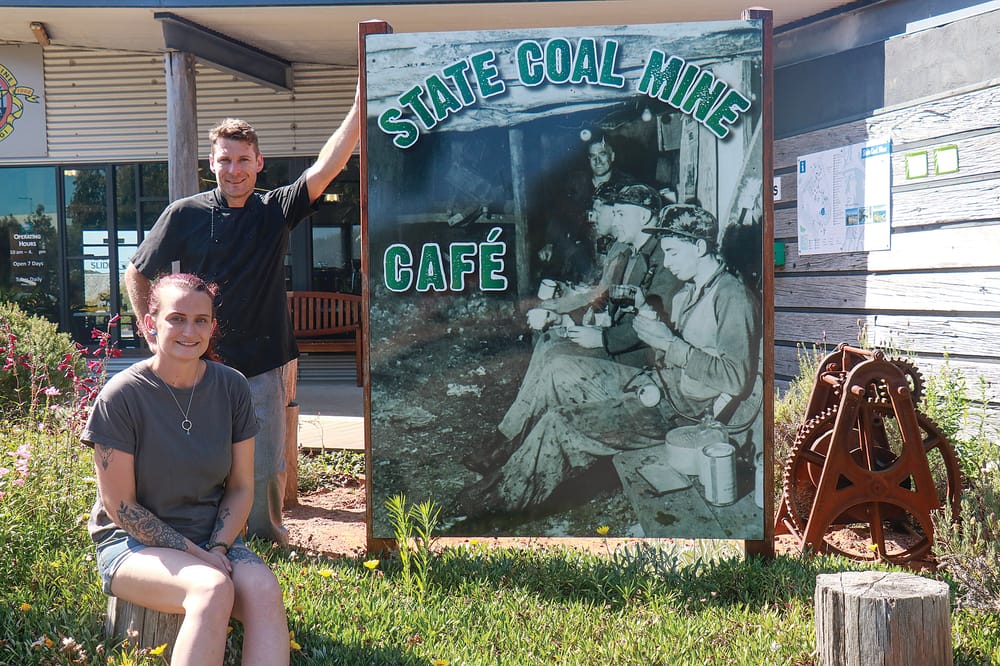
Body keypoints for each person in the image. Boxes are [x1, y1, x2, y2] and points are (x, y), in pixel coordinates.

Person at [124, 93, 360, 545]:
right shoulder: (184, 214)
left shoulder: (276, 210)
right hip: (198, 363)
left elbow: (329, 166)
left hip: (263, 361)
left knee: (265, 462)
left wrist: (355, 105)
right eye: (225, 160)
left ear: (259, 162)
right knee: (197, 457)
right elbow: (137, 271)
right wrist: (150, 330)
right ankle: (203, 538)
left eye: (243, 160)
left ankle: (267, 540)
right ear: (211, 164)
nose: (235, 169)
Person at [461, 202, 759, 515]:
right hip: (654, 388)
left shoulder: (731, 297)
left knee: (560, 422)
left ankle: (494, 507)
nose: (667, 262)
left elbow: (734, 377)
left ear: (699, 246)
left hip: (682, 414)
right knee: (560, 368)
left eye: (672, 252)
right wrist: (649, 320)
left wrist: (670, 344)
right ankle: (505, 459)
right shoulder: (690, 292)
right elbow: (671, 352)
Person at [83, 273, 290, 666]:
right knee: (210, 588)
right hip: (132, 546)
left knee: (264, 591)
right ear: (149, 324)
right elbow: (120, 508)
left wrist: (217, 546)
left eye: (200, 320)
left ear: (212, 327)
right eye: (176, 318)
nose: (188, 330)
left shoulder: (232, 388)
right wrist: (201, 557)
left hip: (213, 538)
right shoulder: (121, 396)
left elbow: (242, 487)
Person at [460, 184, 681, 482]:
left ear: (643, 217)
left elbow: (654, 327)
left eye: (620, 213)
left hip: (640, 359)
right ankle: (506, 439)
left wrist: (602, 338)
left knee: (555, 358)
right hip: (620, 340)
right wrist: (589, 318)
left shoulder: (663, 262)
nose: (614, 220)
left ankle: (509, 444)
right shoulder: (632, 251)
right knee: (551, 348)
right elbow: (608, 296)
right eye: (612, 212)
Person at [535, 136, 635, 284]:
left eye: (602, 154)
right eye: (592, 156)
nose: (597, 161)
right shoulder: (576, 182)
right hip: (578, 253)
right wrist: (549, 243)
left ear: (612, 156)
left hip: (613, 252)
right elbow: (558, 214)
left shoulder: (626, 185)